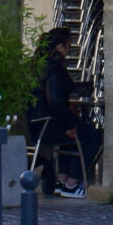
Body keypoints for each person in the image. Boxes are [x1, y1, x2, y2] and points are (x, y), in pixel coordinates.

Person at [35, 26, 87, 197]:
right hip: (49, 125)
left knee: (71, 138)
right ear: (60, 47)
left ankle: (62, 179)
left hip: (36, 125)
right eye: (68, 46)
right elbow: (56, 102)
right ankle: (72, 183)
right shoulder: (54, 70)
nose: (69, 50)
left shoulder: (36, 66)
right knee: (91, 137)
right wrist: (71, 123)